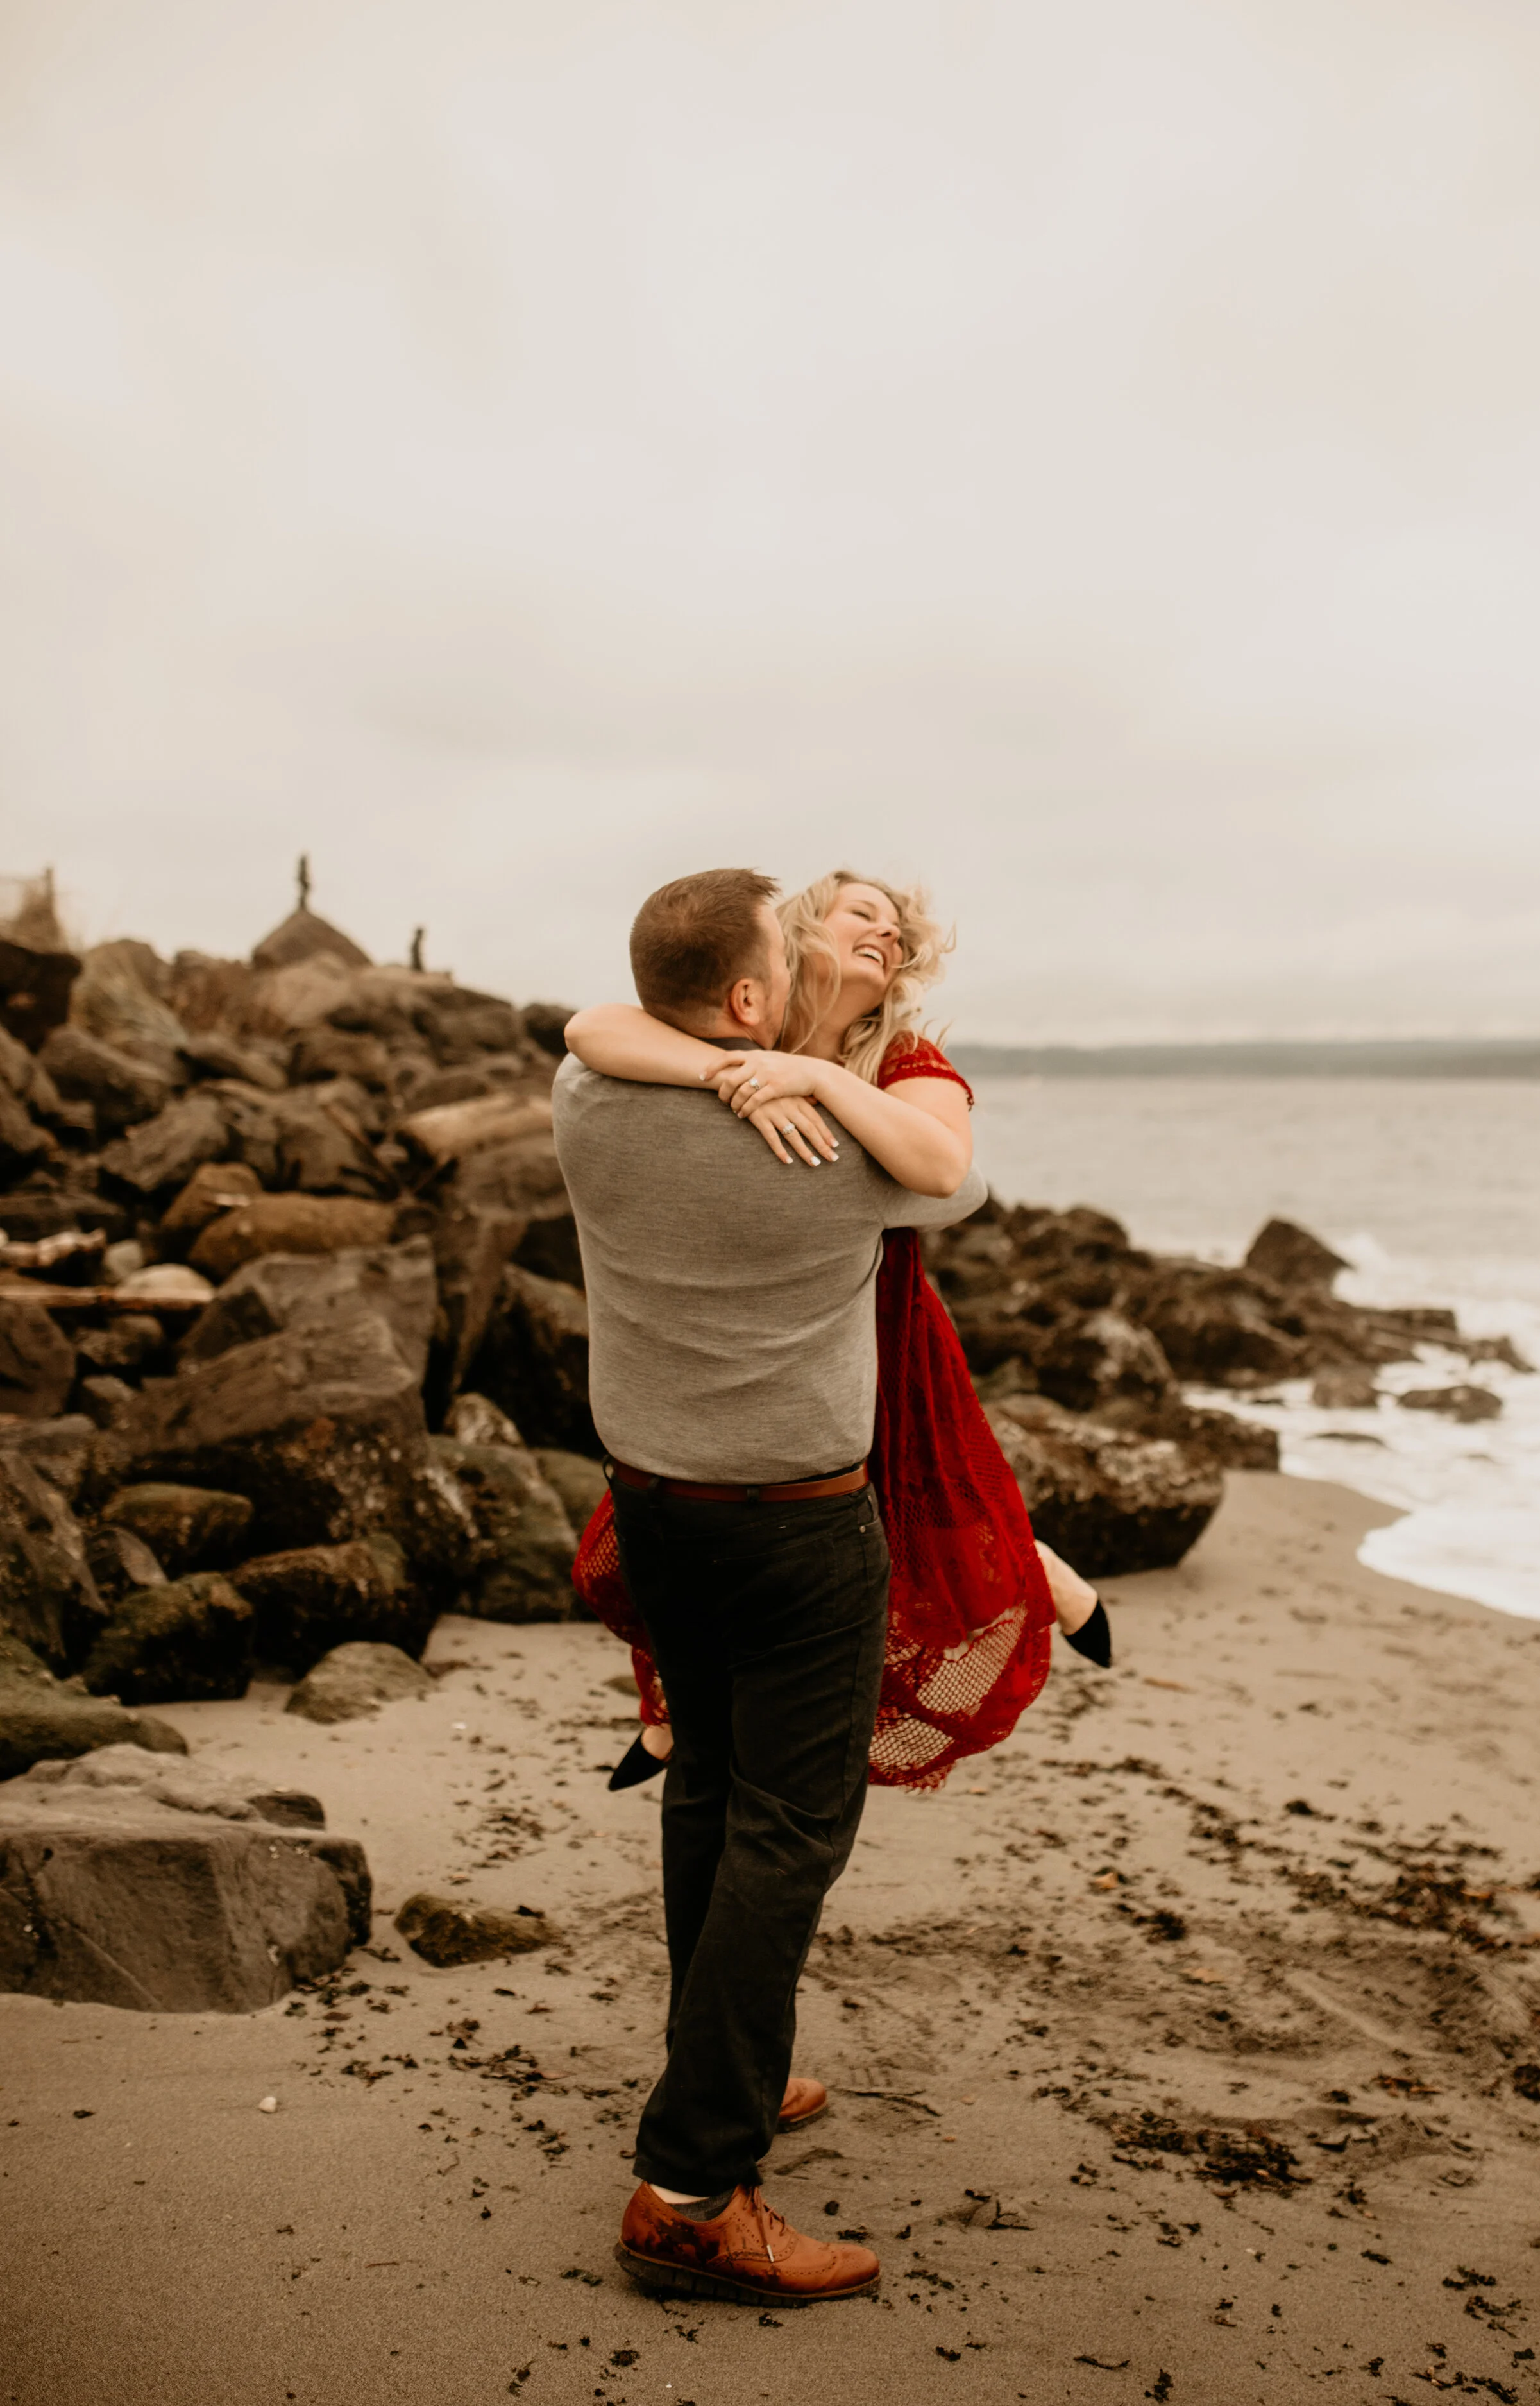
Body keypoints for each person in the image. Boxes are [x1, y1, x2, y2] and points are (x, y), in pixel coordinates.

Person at [551, 866, 989, 2307]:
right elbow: (956, 1183)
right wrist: (766, 1076)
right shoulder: (829, 1152)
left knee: (704, 1790)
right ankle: (688, 2186)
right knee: (786, 1829)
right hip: (798, 1534)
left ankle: (722, 2059)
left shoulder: (588, 1109)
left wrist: (721, 1062)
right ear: (752, 995)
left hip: (655, 1507)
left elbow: (590, 1029)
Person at [564, 867, 1111, 1798]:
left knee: (912, 1516)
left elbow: (942, 1166)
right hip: (746, 1328)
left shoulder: (903, 1059)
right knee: (687, 1519)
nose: (887, 934)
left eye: (898, 929)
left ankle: (1033, 1569)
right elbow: (586, 1029)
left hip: (878, 1319)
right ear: (796, 935)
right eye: (865, 912)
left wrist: (810, 1076)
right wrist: (734, 1075)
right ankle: (672, 1713)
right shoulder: (744, 1028)